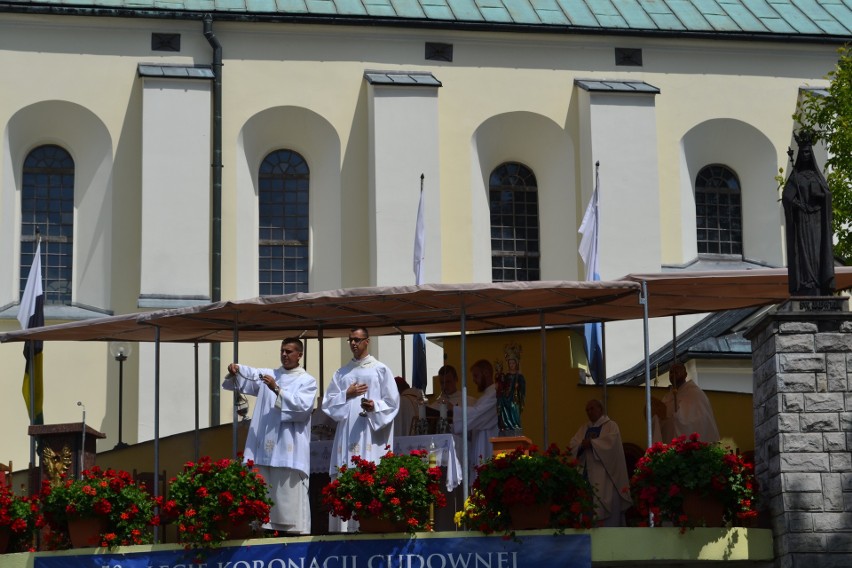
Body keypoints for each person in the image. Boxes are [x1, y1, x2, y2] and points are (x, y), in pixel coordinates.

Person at [223, 337, 317, 535]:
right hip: (264, 450)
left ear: (299, 355)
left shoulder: (307, 381)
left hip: (289, 453)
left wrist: (276, 388)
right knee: (264, 504)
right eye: (282, 350)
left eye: (289, 351)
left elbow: (302, 409)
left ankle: (291, 536)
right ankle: (266, 534)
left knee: (287, 505)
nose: (284, 355)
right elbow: (250, 374)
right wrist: (236, 368)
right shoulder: (269, 374)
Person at [321, 327, 399, 532]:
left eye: (357, 340)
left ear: (367, 341)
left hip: (371, 434)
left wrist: (375, 407)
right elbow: (327, 403)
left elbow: (392, 402)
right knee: (346, 475)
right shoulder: (342, 372)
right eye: (350, 340)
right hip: (347, 435)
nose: (353, 344)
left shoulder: (380, 369)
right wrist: (346, 394)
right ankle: (344, 529)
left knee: (369, 471)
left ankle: (371, 525)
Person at [782, 130, 835, 297]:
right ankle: (807, 282)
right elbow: (787, 197)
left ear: (810, 153)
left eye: (807, 152)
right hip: (803, 219)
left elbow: (826, 195)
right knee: (805, 251)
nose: (805, 155)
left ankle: (821, 281)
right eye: (802, 152)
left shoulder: (817, 177)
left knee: (818, 251)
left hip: (817, 220)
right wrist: (797, 203)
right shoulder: (795, 177)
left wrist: (821, 196)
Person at [569, 399, 632, 527]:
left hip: (606, 477)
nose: (589, 412)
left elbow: (612, 445)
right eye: (587, 410)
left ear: (600, 409)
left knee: (607, 510)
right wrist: (582, 445)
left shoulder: (611, 426)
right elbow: (573, 444)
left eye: (592, 408)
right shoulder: (584, 428)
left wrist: (592, 443)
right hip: (587, 475)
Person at [452, 359, 498, 485]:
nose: (474, 380)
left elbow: (477, 414)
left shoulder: (495, 394)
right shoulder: (486, 395)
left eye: (476, 376)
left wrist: (454, 411)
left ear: (487, 373)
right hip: (480, 443)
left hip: (488, 444)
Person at [652, 362, 720, 444]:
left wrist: (677, 417)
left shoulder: (695, 393)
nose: (673, 375)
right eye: (671, 373)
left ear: (685, 375)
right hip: (669, 441)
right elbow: (662, 416)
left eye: (676, 372)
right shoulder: (668, 396)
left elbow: (698, 421)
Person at [496, 344, 525, 434]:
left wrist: (518, 386)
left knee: (514, 407)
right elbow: (503, 384)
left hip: (514, 398)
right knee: (503, 405)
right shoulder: (507, 375)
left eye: (513, 363)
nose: (511, 365)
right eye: (510, 363)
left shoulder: (519, 376)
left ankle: (514, 424)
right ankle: (505, 425)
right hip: (506, 396)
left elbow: (523, 388)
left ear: (516, 364)